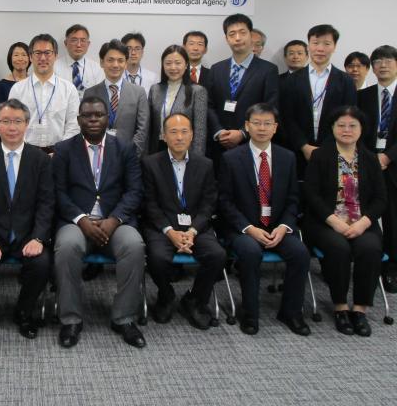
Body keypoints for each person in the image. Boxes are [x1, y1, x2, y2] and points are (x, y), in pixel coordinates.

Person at [53, 96, 146, 349]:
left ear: (108, 118)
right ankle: (71, 319)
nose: (93, 120)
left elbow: (134, 191)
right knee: (67, 247)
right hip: (76, 223)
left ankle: (124, 318)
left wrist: (114, 219)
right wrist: (81, 219)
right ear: (79, 119)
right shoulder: (63, 150)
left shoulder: (125, 149)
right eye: (87, 115)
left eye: (99, 115)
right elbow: (58, 192)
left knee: (134, 245)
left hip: (115, 221)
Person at [218, 103, 310, 336]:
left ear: (275, 128)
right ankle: (250, 312)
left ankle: (291, 312)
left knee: (300, 253)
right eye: (256, 123)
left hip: (277, 227)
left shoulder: (288, 158)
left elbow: (292, 199)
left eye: (267, 123)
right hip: (243, 229)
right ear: (247, 126)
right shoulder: (231, 158)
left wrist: (284, 227)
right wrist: (249, 228)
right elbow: (225, 202)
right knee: (250, 253)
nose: (261, 128)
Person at [0, 99, 54, 339]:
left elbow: (46, 204)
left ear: (27, 124)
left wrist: (38, 237)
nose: (12, 127)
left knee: (41, 264)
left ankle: (24, 313)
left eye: (18, 121)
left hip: (28, 235)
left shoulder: (40, 159)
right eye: (6, 121)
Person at [303, 106, 386, 336]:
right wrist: (334, 221)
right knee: (338, 248)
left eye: (352, 126)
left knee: (369, 248)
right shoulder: (320, 156)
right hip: (326, 222)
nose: (346, 130)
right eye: (341, 125)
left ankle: (359, 310)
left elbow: (380, 199)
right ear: (332, 128)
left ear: (362, 129)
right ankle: (340, 307)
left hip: (362, 222)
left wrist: (363, 223)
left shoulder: (370, 159)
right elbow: (311, 194)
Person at [142, 113, 225, 329]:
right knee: (157, 258)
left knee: (217, 256)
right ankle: (166, 295)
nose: (179, 137)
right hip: (163, 228)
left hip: (196, 227)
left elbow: (209, 204)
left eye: (184, 131)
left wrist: (193, 231)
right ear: (163, 135)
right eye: (173, 132)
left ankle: (195, 299)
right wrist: (170, 231)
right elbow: (149, 204)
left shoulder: (205, 164)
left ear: (192, 135)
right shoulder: (150, 164)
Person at [280, 24, 357, 177]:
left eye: (326, 43)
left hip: (334, 150)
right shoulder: (292, 80)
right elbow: (286, 117)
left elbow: (349, 117)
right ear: (309, 45)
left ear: (334, 46)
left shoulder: (345, 80)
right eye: (315, 43)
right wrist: (303, 146)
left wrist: (327, 147)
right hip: (296, 150)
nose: (320, 48)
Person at [206, 14, 278, 168]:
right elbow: (209, 105)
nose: (237, 38)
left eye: (242, 32)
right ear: (227, 39)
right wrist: (219, 132)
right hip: (220, 145)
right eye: (232, 34)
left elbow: (270, 107)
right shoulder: (216, 69)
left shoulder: (268, 70)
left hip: (253, 143)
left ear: (251, 36)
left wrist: (242, 133)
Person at [357, 45, 397, 293]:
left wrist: (388, 157)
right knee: (364, 216)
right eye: (377, 61)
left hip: (394, 167)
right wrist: (372, 159)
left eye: (388, 60)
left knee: (393, 221)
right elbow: (353, 130)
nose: (382, 65)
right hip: (367, 164)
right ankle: (366, 265)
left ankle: (391, 269)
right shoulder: (363, 96)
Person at [8, 34, 80, 154]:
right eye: (37, 53)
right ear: (31, 57)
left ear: (56, 56)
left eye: (47, 53)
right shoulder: (18, 89)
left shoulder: (69, 89)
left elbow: (73, 125)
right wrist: (25, 150)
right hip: (25, 153)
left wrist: (60, 151)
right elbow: (12, 123)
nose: (42, 58)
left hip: (59, 154)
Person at [83, 39, 149, 159]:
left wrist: (130, 155)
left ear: (126, 63)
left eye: (120, 60)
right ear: (102, 62)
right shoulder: (90, 93)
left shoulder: (139, 92)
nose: (115, 65)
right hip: (98, 157)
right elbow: (86, 127)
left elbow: (142, 130)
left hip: (130, 158)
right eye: (110, 60)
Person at [148, 45, 208, 156]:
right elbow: (150, 126)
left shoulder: (197, 91)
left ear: (186, 65)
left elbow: (200, 131)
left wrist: (197, 160)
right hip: (158, 148)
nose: (173, 67)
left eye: (178, 63)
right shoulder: (155, 90)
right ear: (163, 65)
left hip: (184, 149)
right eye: (168, 63)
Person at [55, 24, 103, 97]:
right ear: (65, 43)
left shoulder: (96, 68)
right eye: (74, 40)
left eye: (83, 40)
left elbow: (100, 95)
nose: (78, 45)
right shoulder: (54, 67)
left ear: (88, 44)